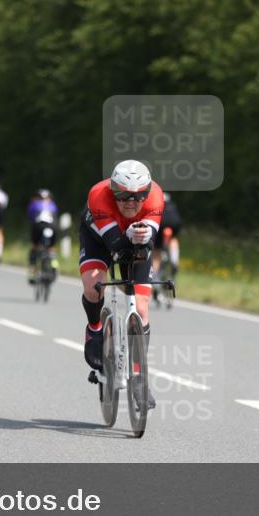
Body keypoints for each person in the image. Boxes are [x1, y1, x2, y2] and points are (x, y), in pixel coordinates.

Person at [79, 160, 163, 409]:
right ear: (112, 191)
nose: (130, 202)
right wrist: (128, 239)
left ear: (147, 193)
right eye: (123, 195)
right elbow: (115, 245)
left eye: (138, 197)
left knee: (142, 306)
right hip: (98, 236)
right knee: (94, 285)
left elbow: (147, 246)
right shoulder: (98, 195)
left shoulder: (156, 197)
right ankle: (94, 328)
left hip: (133, 235)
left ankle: (139, 377)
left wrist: (145, 240)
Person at [27, 188, 59, 284]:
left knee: (34, 248)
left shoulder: (34, 204)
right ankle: (54, 264)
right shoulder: (53, 205)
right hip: (52, 227)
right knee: (51, 248)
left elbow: (31, 218)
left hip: (38, 226)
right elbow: (55, 217)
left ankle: (32, 274)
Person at [152, 191, 182, 279]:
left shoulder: (155, 201)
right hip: (174, 222)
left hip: (161, 223)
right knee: (173, 239)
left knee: (157, 252)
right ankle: (174, 260)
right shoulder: (172, 204)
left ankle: (155, 276)